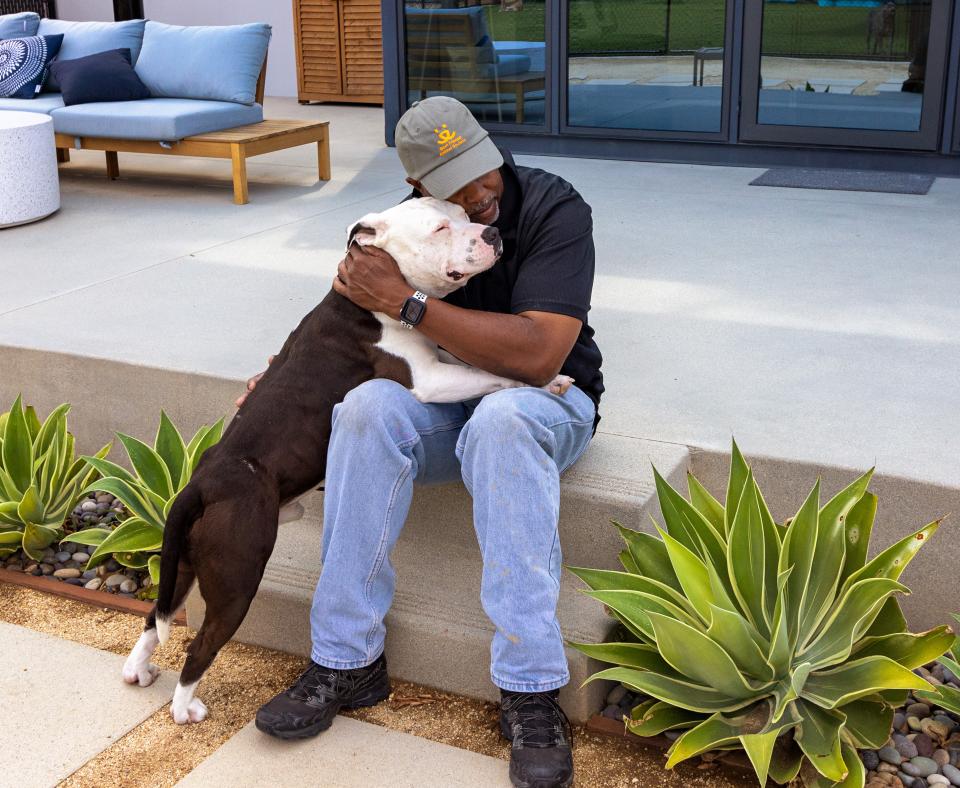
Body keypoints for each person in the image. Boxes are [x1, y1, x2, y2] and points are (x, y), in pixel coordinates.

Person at [246, 96, 603, 788]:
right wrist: (273, 381)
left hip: (548, 404)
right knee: (365, 407)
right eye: (455, 185)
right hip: (446, 406)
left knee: (502, 421)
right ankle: (347, 659)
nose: (479, 192)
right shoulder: (402, 232)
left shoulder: (556, 209)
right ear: (416, 188)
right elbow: (334, 326)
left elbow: (536, 357)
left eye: (482, 168)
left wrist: (406, 303)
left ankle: (530, 689)